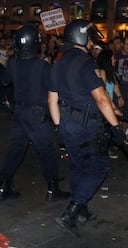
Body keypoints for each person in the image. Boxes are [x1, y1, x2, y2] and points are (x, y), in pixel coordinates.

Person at [48, 19, 126, 235]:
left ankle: (81, 210)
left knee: (78, 167)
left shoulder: (58, 63)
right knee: (98, 168)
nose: (92, 42)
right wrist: (116, 127)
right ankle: (71, 212)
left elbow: (52, 100)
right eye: (90, 37)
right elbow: (102, 99)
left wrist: (58, 127)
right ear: (81, 37)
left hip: (66, 125)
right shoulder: (86, 64)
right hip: (87, 127)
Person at [0, 24, 69, 201]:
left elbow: (5, 81)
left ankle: (3, 185)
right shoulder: (43, 66)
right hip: (37, 114)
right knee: (48, 151)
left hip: (19, 113)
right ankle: (53, 189)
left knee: (16, 149)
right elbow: (54, 89)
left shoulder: (13, 64)